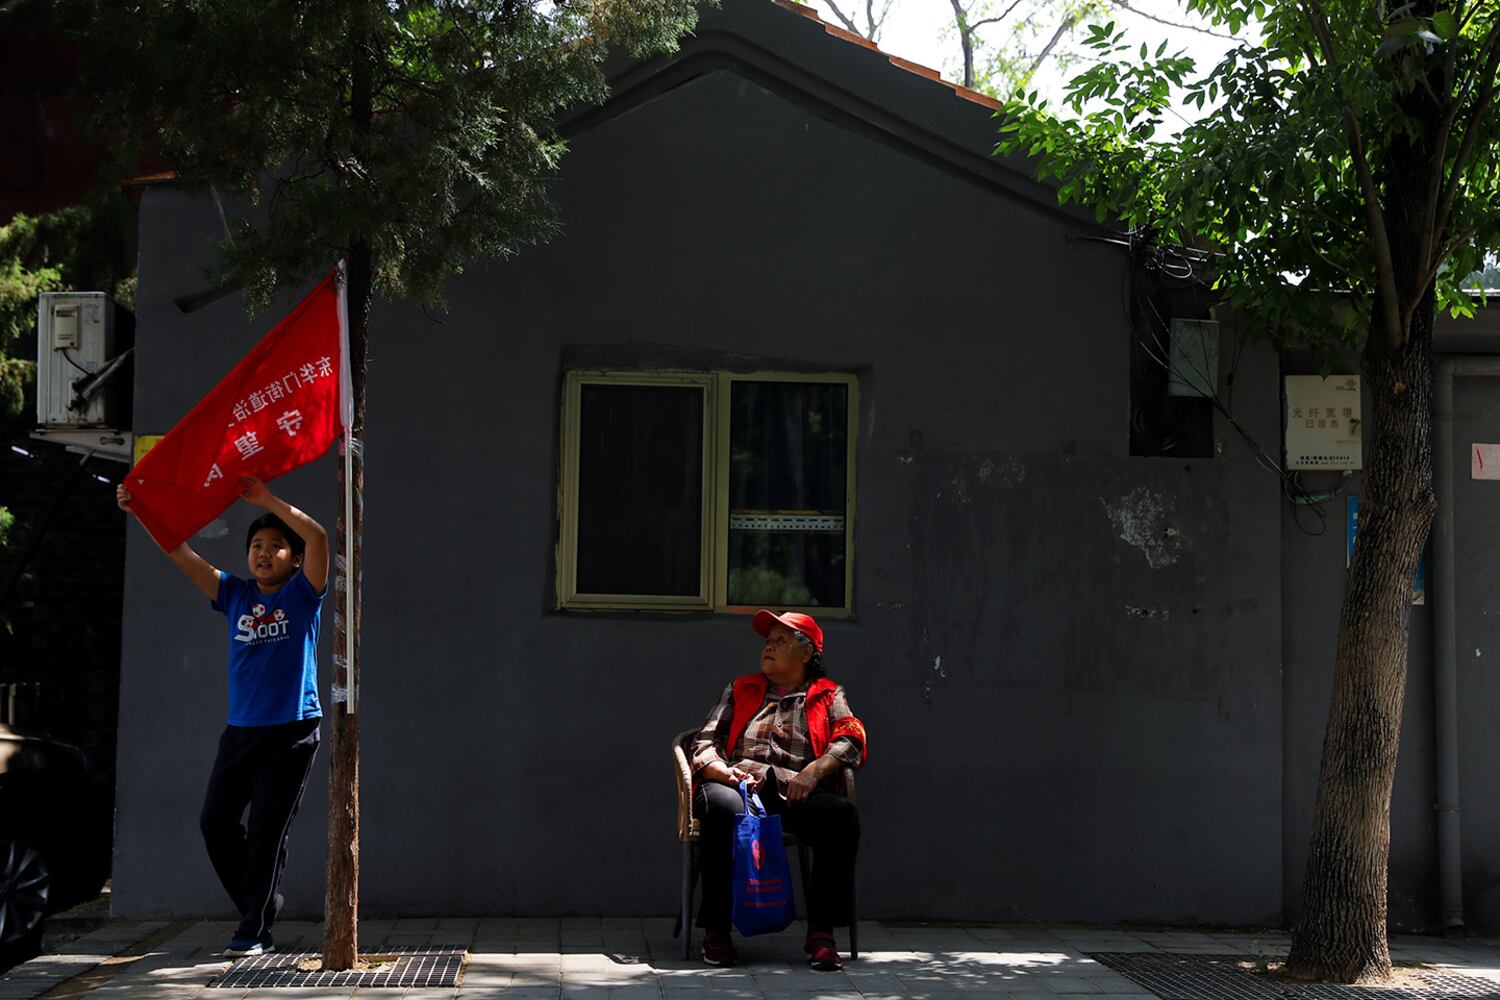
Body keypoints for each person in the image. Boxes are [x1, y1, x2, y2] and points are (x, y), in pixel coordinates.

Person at [117, 476, 326, 958]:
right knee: (215, 823)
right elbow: (181, 554)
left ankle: (253, 928)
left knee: (269, 831)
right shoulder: (233, 595)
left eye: (276, 547)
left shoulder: (301, 596)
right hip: (241, 733)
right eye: (256, 545)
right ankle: (261, 903)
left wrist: (268, 500)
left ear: (293, 560)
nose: (264, 553)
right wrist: (143, 510)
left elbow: (316, 537)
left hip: (292, 731)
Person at [689, 610, 868, 971]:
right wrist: (725, 774)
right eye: (767, 640)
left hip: (793, 791)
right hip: (738, 786)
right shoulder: (740, 688)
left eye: (780, 640)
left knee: (840, 815)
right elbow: (704, 741)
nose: (768, 646)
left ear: (806, 653)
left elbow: (852, 737)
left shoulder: (828, 693)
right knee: (720, 807)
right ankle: (717, 932)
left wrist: (816, 770)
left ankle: (821, 935)